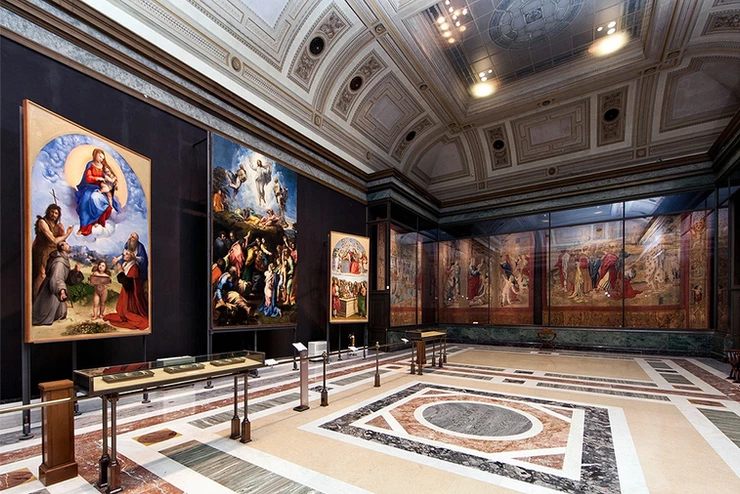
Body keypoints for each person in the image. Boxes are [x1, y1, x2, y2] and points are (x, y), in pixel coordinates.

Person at [32, 242, 84, 325]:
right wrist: (61, 290)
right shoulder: (59, 262)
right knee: (44, 316)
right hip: (52, 291)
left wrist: (75, 272)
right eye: (66, 244)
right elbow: (56, 278)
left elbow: (65, 277)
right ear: (62, 247)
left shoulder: (63, 259)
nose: (69, 245)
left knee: (59, 315)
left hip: (56, 289)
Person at [31, 204, 73, 300]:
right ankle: (34, 299)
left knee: (55, 275)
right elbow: (53, 240)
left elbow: (61, 241)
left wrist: (62, 231)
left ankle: (50, 300)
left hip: (54, 252)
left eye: (56, 213)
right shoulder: (42, 222)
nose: (53, 215)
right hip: (42, 251)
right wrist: (67, 233)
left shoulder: (57, 226)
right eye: (52, 212)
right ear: (48, 212)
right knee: (42, 275)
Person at [74, 148, 119, 236]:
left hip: (101, 188)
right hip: (89, 187)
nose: (101, 159)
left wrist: (114, 181)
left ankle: (97, 222)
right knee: (85, 199)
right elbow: (88, 177)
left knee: (101, 200)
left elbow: (109, 176)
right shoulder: (90, 165)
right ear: (95, 155)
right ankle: (84, 227)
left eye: (102, 158)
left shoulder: (104, 167)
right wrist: (97, 178)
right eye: (100, 156)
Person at [104, 249, 148, 329]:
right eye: (124, 254)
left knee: (127, 312)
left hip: (131, 296)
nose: (125, 255)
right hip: (126, 292)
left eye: (127, 254)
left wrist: (120, 270)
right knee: (122, 310)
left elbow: (128, 285)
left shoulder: (134, 268)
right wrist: (119, 268)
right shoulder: (126, 264)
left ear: (132, 256)